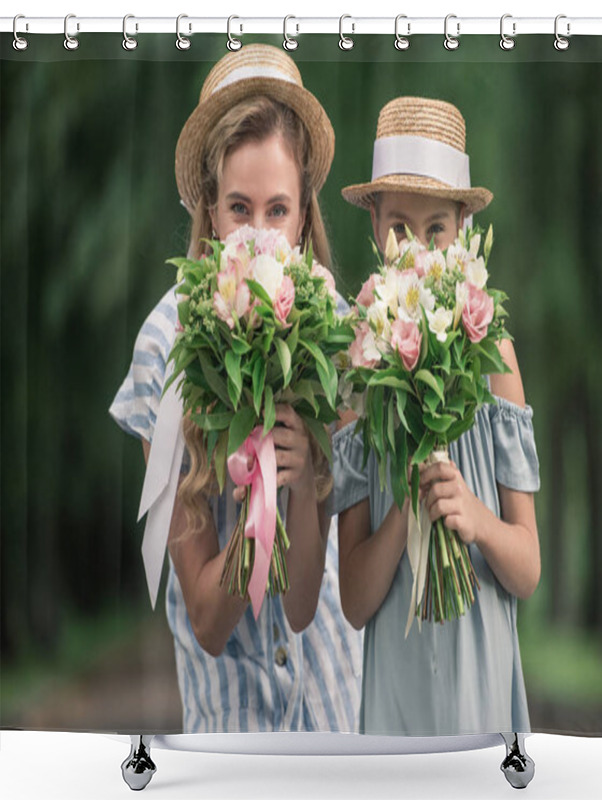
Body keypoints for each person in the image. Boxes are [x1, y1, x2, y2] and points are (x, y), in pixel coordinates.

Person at [109, 44, 362, 734]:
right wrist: (260, 492)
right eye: (239, 209)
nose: (258, 234)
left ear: (305, 216)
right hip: (234, 729)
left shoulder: (338, 335)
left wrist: (306, 474)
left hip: (336, 708)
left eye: (277, 210)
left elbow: (309, 599)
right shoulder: (165, 350)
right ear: (211, 215)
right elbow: (207, 619)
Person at [333, 97, 542, 736]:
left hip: (481, 676)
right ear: (373, 223)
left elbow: (528, 569)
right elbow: (355, 602)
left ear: (462, 230)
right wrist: (407, 509)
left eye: (435, 231)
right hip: (396, 688)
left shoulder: (493, 355)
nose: (416, 250)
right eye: (399, 226)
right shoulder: (357, 370)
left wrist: (474, 518)